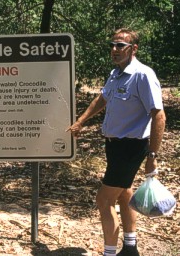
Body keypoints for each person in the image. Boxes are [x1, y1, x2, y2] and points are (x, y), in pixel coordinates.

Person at [67, 28, 166, 256]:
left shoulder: (143, 75)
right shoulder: (116, 73)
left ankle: (109, 253)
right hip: (114, 145)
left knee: (103, 200)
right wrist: (81, 121)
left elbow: (158, 115)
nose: (114, 49)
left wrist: (152, 157)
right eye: (112, 45)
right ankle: (130, 247)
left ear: (133, 49)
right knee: (124, 193)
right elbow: (103, 97)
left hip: (130, 147)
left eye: (120, 45)